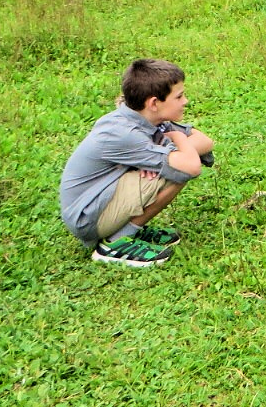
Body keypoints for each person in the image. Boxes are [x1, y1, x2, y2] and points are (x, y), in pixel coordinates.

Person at [59, 58, 217, 266]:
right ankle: (115, 242)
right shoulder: (124, 132)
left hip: (104, 199)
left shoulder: (148, 118)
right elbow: (191, 165)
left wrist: (164, 152)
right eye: (179, 96)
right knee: (176, 169)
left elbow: (205, 141)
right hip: (87, 216)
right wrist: (177, 140)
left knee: (174, 163)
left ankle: (128, 228)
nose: (185, 101)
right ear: (153, 103)